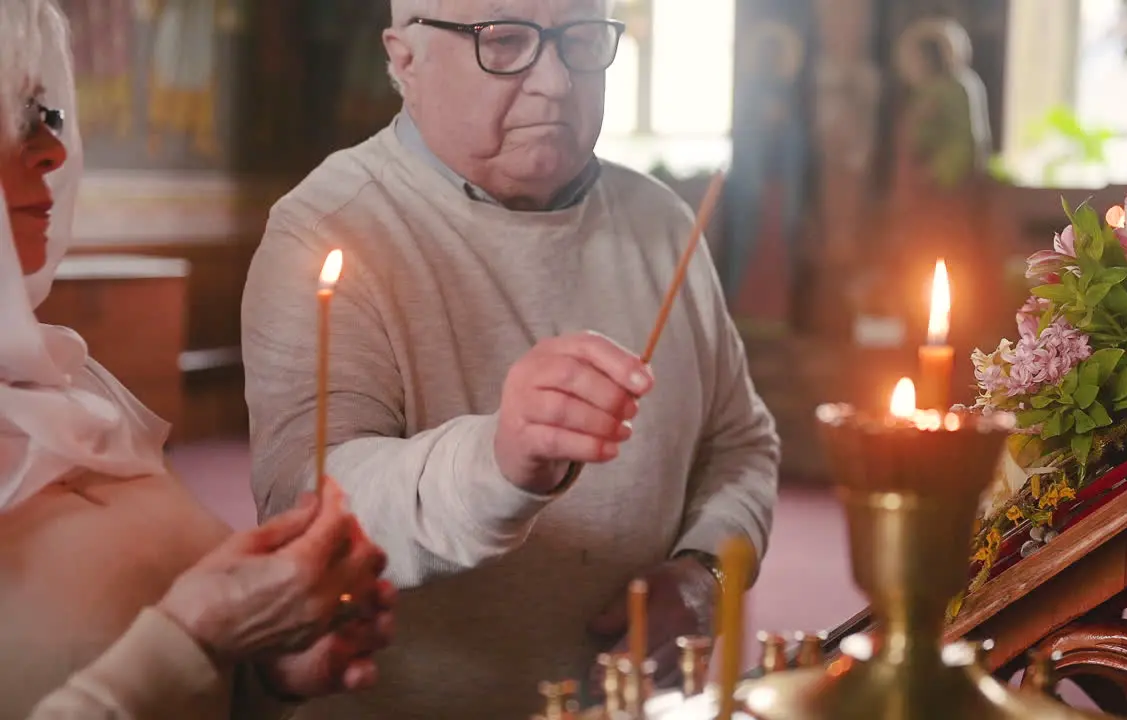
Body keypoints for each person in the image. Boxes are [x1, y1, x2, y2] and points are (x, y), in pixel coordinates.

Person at [241, 0, 780, 717]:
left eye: (580, 40)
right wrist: (497, 461)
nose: (555, 81)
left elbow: (741, 445)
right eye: (504, 40)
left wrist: (704, 572)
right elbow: (311, 504)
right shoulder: (326, 228)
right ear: (404, 59)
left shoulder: (661, 223)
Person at [0, 0, 394, 716]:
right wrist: (197, 640)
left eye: (45, 113)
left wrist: (267, 666)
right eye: (9, 115)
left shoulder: (68, 384)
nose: (51, 151)